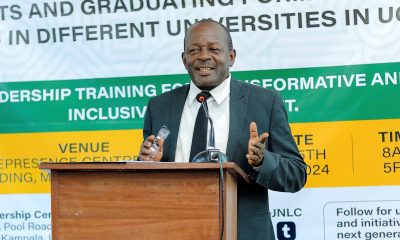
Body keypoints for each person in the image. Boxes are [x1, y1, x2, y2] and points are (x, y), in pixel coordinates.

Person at [139, 19, 306, 240]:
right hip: (174, 229)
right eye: (194, 50)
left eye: (214, 49)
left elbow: (296, 174)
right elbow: (145, 181)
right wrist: (148, 165)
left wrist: (262, 161)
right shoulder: (159, 106)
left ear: (231, 57)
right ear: (184, 60)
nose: (203, 56)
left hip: (242, 232)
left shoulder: (265, 102)